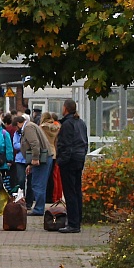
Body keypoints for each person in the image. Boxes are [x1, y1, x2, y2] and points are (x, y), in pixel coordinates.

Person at [55, 99, 89, 233]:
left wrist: (61, 160)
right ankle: (77, 220)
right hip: (79, 158)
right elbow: (84, 142)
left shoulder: (67, 124)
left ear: (66, 109)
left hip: (69, 161)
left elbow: (65, 145)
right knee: (76, 190)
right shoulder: (81, 123)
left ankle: (73, 224)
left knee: (69, 192)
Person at [19, 112, 53, 216]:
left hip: (41, 159)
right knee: (38, 183)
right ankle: (39, 207)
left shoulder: (28, 128)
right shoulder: (32, 126)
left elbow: (34, 143)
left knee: (38, 184)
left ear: (19, 124)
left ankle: (39, 209)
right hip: (43, 158)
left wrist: (34, 158)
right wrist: (30, 164)